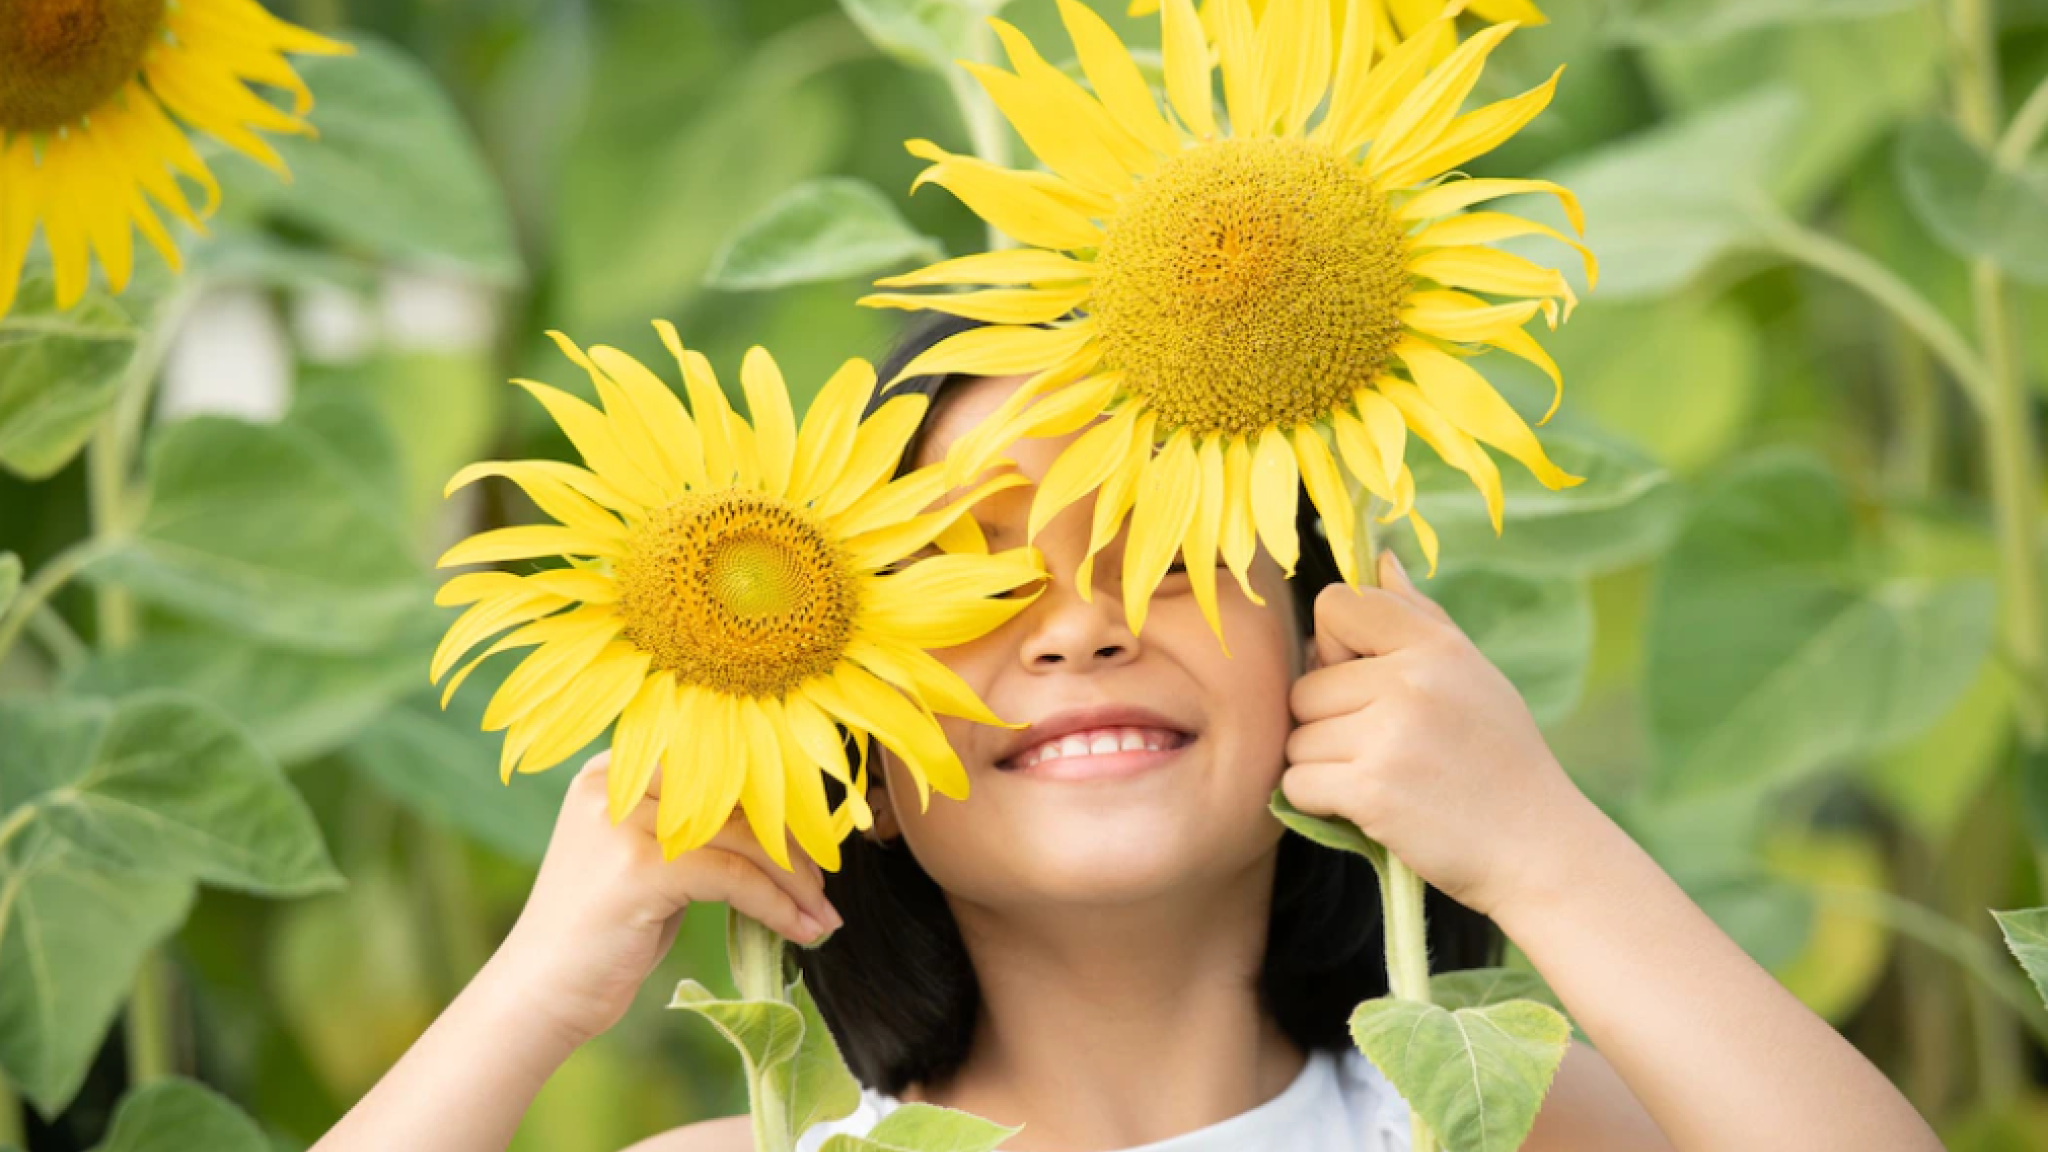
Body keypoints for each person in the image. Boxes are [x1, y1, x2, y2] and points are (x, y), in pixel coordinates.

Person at [311, 316, 1946, 1152]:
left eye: (1168, 550)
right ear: (849, 757)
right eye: (968, 575)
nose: (1085, 622)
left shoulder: (1484, 1126)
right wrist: (532, 991)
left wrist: (1546, 849)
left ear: (1329, 656)